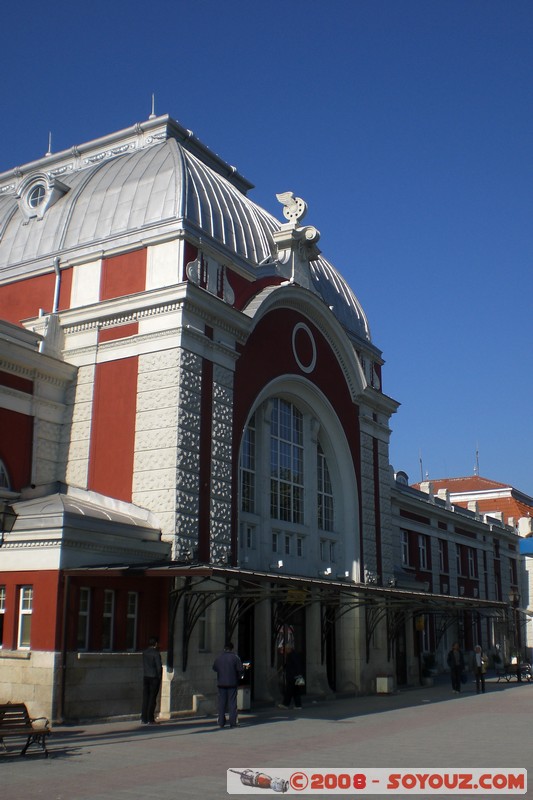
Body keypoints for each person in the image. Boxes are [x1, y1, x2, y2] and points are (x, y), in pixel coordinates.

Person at [212, 641, 244, 728]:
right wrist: (240, 676)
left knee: (222, 703)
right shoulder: (235, 658)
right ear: (232, 648)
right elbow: (240, 669)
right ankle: (233, 722)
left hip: (221, 683)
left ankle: (221, 722)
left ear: (224, 648)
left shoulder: (219, 658)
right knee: (232, 703)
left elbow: (214, 668)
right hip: (232, 683)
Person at [141, 636, 163, 724]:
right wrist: (159, 677)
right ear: (156, 644)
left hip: (146, 676)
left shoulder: (145, 653)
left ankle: (144, 718)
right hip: (154, 677)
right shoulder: (156, 653)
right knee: (152, 698)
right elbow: (159, 667)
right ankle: (150, 718)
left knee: (145, 697)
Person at [278, 644, 304, 710]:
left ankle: (285, 704)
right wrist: (284, 666)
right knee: (295, 691)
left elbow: (293, 665)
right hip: (296, 676)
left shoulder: (292, 655)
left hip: (293, 676)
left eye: (286, 649)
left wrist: (295, 675)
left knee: (289, 690)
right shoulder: (293, 655)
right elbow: (290, 664)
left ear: (289, 649)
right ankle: (298, 705)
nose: (285, 650)